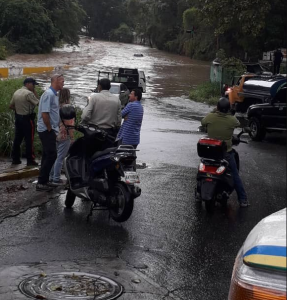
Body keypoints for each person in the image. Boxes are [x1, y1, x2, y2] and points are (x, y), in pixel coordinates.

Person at [201, 97, 249, 208]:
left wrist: (214, 111)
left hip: (209, 153)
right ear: (228, 109)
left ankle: (199, 193)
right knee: (235, 175)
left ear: (217, 107)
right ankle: (243, 199)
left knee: (201, 168)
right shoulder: (231, 120)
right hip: (225, 153)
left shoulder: (210, 117)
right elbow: (237, 123)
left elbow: (203, 122)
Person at [36, 74, 65, 191]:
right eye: (62, 81)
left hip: (50, 129)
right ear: (55, 81)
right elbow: (44, 114)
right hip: (46, 130)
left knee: (47, 155)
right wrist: (50, 129)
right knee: (52, 155)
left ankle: (44, 181)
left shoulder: (54, 94)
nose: (63, 83)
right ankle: (41, 182)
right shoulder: (48, 94)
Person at [81, 78, 121, 149]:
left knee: (89, 154)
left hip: (94, 132)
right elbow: (118, 120)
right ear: (110, 87)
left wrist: (83, 123)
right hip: (109, 134)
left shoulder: (94, 98)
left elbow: (85, 115)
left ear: (99, 86)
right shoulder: (117, 100)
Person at [9, 77, 39, 166]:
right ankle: (30, 160)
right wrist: (34, 92)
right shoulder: (29, 93)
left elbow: (11, 106)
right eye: (33, 85)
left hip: (18, 118)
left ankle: (15, 159)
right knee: (29, 140)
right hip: (27, 119)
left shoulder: (17, 92)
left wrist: (18, 110)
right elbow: (39, 103)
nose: (34, 87)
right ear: (28, 84)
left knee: (17, 139)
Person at [49, 88, 74, 186]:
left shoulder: (56, 106)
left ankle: (50, 177)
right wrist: (72, 137)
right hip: (64, 134)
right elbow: (70, 124)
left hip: (54, 133)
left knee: (54, 157)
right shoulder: (68, 108)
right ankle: (56, 178)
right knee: (60, 158)